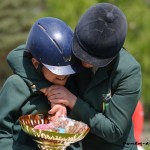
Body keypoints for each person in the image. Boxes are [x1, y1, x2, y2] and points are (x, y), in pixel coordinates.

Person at [45, 3, 142, 150]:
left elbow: (113, 130)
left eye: (93, 58)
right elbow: (21, 55)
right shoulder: (72, 42)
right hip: (75, 144)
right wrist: (53, 95)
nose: (85, 60)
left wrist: (73, 101)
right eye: (82, 52)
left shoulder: (129, 71)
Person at [0, 17, 83, 150]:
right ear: (36, 63)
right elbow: (2, 133)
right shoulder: (16, 85)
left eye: (67, 70)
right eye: (56, 69)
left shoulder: (71, 83)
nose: (63, 75)